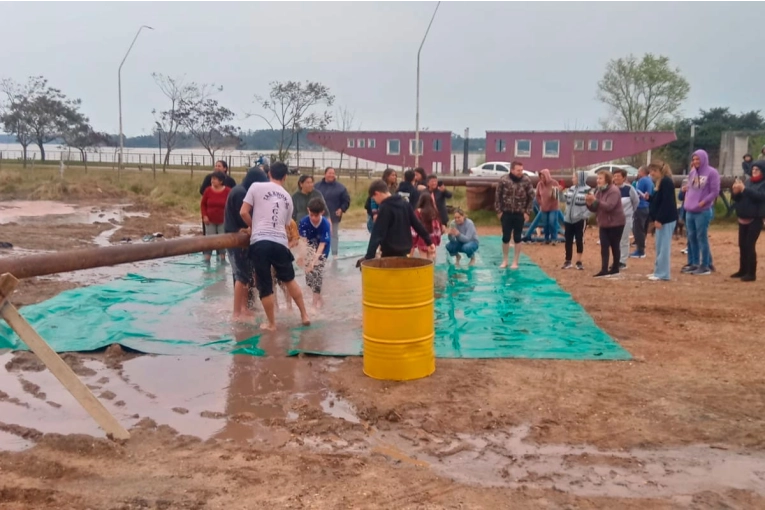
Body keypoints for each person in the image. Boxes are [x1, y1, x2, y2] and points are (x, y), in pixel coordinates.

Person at [240, 162, 310, 331]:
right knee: (290, 280)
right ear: (285, 177)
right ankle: (304, 315)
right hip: (280, 242)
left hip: (260, 242)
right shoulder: (288, 197)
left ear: (269, 173)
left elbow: (243, 212)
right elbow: (286, 224)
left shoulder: (256, 186)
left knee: (265, 284)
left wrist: (254, 227)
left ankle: (271, 323)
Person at [224, 166, 269, 319]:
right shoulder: (241, 193)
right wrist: (253, 227)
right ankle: (238, 311)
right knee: (240, 275)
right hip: (236, 238)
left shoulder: (239, 190)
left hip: (237, 236)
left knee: (243, 275)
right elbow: (242, 215)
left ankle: (244, 307)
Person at [363, 180, 435, 260]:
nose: (376, 201)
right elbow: (417, 224)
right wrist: (429, 242)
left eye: (374, 198)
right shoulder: (405, 204)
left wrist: (369, 256)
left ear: (377, 193)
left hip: (390, 253)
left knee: (392, 272)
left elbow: (377, 233)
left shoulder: (385, 207)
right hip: (406, 251)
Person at [682, 150, 721, 276]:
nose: (695, 162)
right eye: (693, 159)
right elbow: (690, 188)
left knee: (701, 237)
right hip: (690, 209)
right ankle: (694, 263)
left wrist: (704, 202)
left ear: (704, 159)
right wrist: (686, 196)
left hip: (702, 211)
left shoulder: (712, 172)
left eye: (698, 159)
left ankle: (705, 265)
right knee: (691, 237)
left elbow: (714, 191)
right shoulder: (692, 172)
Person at [585, 170, 626, 278]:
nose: (598, 180)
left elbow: (609, 206)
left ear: (607, 180)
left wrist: (595, 201)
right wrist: (589, 203)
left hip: (616, 223)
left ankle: (615, 268)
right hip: (604, 223)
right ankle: (604, 269)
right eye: (597, 178)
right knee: (604, 246)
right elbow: (595, 208)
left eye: (600, 178)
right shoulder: (599, 191)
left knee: (614, 245)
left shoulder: (614, 190)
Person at [495, 161, 534, 269]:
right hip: (506, 213)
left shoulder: (526, 181)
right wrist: (499, 211)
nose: (520, 172)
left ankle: (515, 261)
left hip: (519, 213)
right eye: (518, 170)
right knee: (505, 237)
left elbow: (531, 197)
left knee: (517, 237)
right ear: (512, 170)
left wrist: (527, 212)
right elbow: (497, 196)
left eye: (521, 170)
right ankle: (505, 260)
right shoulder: (504, 180)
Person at [731, 160, 765, 282]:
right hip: (743, 217)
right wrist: (735, 192)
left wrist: (744, 189)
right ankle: (743, 269)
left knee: (750, 245)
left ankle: (751, 273)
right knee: (742, 244)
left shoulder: (763, 183)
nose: (754, 171)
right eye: (753, 169)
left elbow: (760, 196)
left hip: (755, 218)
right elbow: (738, 198)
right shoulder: (748, 181)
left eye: (757, 170)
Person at [647, 161, 679, 281]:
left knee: (664, 247)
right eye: (651, 171)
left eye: (654, 171)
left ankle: (663, 273)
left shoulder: (666, 182)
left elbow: (667, 203)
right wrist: (650, 198)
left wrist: (659, 219)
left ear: (660, 171)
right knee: (659, 246)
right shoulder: (660, 182)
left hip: (666, 219)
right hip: (663, 218)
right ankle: (658, 271)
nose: (652, 173)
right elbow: (658, 200)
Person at [298, 198, 331, 307]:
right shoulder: (304, 222)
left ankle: (314, 304)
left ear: (322, 212)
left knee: (317, 273)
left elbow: (322, 245)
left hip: (322, 251)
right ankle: (319, 298)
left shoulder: (325, 224)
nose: (314, 218)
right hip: (309, 249)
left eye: (316, 216)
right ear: (308, 210)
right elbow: (303, 241)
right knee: (309, 278)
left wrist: (313, 262)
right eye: (311, 215)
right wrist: (302, 256)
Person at [314, 167, 351, 258]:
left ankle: (335, 254)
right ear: (325, 174)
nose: (331, 175)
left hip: (334, 215)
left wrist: (342, 209)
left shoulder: (341, 188)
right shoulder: (317, 186)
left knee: (333, 234)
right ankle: (318, 254)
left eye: (333, 173)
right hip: (318, 215)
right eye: (329, 173)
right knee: (317, 234)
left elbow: (346, 201)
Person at [200, 171, 231, 265]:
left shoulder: (228, 191)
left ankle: (222, 258)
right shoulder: (208, 190)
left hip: (223, 220)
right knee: (209, 240)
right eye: (211, 179)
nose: (212, 181)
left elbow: (231, 205)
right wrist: (204, 216)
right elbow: (203, 204)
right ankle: (207, 259)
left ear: (221, 181)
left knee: (222, 240)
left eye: (214, 179)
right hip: (209, 220)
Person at [561, 170, 591, 270]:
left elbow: (591, 205)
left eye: (574, 177)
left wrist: (584, 216)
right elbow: (564, 199)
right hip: (568, 219)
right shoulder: (571, 188)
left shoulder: (588, 190)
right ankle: (568, 260)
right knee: (568, 240)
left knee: (579, 239)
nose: (572, 179)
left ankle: (579, 261)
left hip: (580, 220)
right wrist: (558, 191)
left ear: (580, 178)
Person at [613, 169, 640, 269]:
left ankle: (622, 261)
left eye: (618, 176)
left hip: (625, 218)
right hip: (613, 219)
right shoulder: (612, 189)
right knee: (615, 240)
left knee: (623, 240)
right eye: (614, 176)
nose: (616, 178)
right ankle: (616, 259)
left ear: (624, 178)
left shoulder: (629, 189)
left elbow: (636, 202)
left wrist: (630, 212)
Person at [630, 166, 654, 259]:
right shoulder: (650, 180)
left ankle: (640, 251)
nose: (638, 173)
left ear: (642, 172)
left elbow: (636, 193)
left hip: (640, 206)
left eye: (639, 171)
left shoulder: (642, 180)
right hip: (647, 206)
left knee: (638, 229)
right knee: (643, 229)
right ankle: (641, 249)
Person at [412, 192, 441, 261]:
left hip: (422, 239)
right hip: (433, 238)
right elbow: (437, 228)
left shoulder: (418, 212)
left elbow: (415, 227)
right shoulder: (435, 212)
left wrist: (413, 241)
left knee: (423, 259)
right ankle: (431, 271)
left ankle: (425, 271)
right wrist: (437, 240)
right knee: (431, 259)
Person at [535, 169, 561, 244]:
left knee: (552, 222)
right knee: (545, 224)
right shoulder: (539, 184)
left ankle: (554, 238)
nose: (542, 178)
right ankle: (546, 239)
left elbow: (556, 196)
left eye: (543, 176)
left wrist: (553, 193)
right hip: (543, 207)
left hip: (553, 207)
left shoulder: (554, 183)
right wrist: (540, 202)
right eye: (541, 177)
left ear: (547, 176)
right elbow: (537, 195)